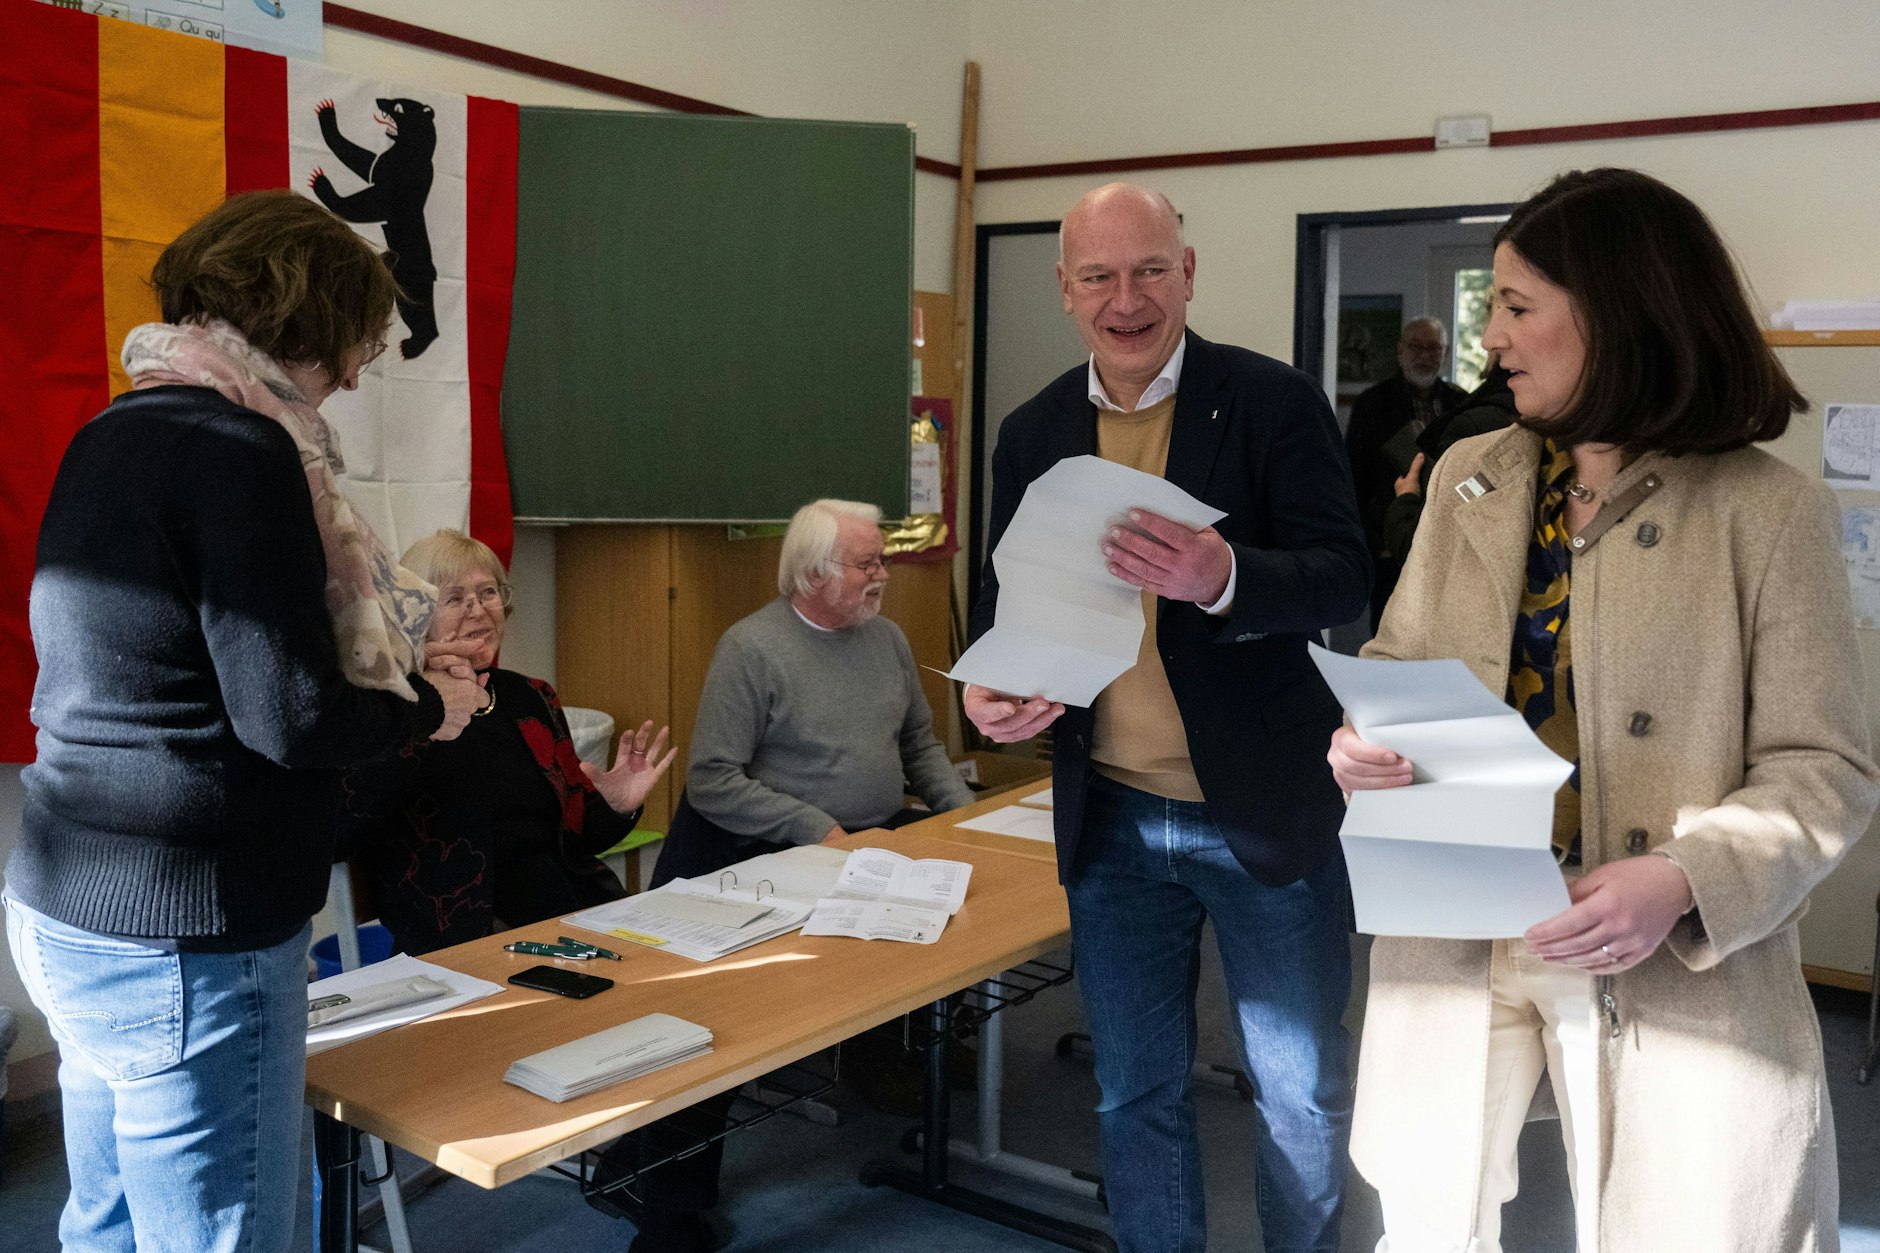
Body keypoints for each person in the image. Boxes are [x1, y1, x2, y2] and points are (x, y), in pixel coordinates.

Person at [1330, 167, 1880, 1253]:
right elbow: (1399, 656)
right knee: (1424, 1222)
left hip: (1664, 951)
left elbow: (1822, 767)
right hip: (1455, 921)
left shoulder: (1768, 512)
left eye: (1519, 309)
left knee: (1677, 1223)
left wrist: (1682, 877)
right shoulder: (1466, 474)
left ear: (1621, 313)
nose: (1495, 341)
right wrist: (1364, 738)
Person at [3, 190, 485, 1253]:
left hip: (67, 899)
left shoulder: (119, 426)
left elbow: (184, 664)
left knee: (110, 1225)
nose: (357, 376)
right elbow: (291, 718)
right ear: (306, 320)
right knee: (228, 1235)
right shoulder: (243, 449)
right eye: (356, 343)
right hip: (190, 925)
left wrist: (394, 678)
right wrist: (428, 708)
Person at [964, 182, 1370, 1253]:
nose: (1125, 297)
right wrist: (987, 687)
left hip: (1262, 814)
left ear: (1186, 273)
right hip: (1112, 826)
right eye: (1097, 275)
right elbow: (997, 601)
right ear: (1064, 290)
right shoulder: (1032, 430)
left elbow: (1342, 579)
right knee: (1130, 1095)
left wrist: (1222, 572)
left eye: (1148, 269)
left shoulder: (1272, 402)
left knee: (1301, 1099)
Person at [342, 529, 676, 956]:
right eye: (455, 598)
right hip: (465, 943)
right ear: (416, 612)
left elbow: (575, 843)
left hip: (573, 919)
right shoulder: (395, 707)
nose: (477, 609)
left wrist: (616, 804)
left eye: (488, 593)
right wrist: (428, 711)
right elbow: (343, 829)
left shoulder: (531, 697)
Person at [664, 497, 975, 877]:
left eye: (883, 560)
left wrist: (968, 815)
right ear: (814, 573)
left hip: (879, 839)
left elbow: (919, 746)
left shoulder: (888, 638)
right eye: (867, 564)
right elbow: (711, 780)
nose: (883, 575)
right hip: (787, 850)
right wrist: (815, 828)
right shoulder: (749, 649)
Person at [1345, 317, 1467, 628]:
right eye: (1416, 347)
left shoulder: (1461, 402)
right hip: (1389, 544)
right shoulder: (1372, 404)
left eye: (1433, 348)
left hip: (1447, 544)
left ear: (1446, 352)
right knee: (1391, 634)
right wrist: (1374, 541)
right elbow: (1354, 477)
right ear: (1400, 351)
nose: (1425, 356)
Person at [1377, 357, 1518, 567]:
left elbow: (1424, 547)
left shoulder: (1471, 425)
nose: (1489, 340)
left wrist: (1406, 498)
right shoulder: (1546, 419)